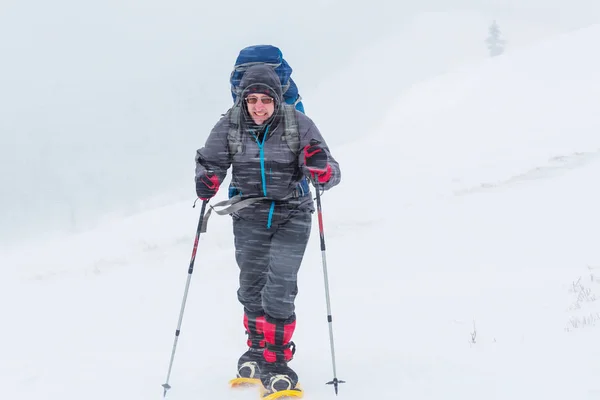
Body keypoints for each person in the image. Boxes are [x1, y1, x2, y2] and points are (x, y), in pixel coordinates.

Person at [194, 63, 341, 395]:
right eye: (252, 100)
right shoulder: (230, 126)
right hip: (249, 215)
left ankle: (276, 361)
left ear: (277, 99)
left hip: (293, 213)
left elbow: (331, 170)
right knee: (250, 286)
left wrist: (321, 169)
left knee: (279, 288)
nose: (258, 106)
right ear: (243, 100)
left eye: (265, 100)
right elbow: (210, 161)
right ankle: (257, 348)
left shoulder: (299, 125)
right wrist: (207, 180)